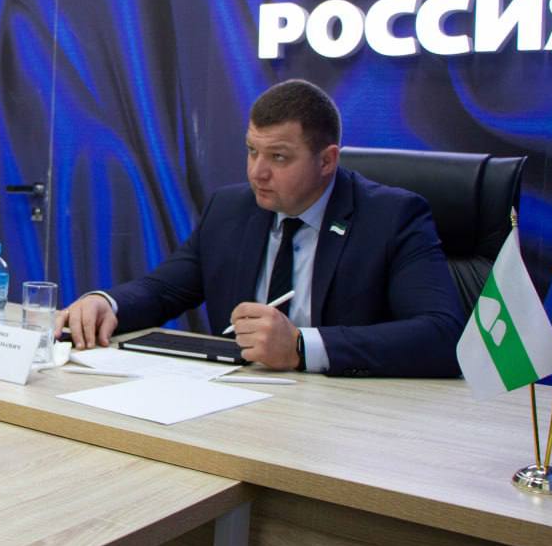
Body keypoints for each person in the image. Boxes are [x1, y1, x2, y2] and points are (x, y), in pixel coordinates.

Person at [59, 79, 466, 378]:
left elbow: (442, 334)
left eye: (279, 157)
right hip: (239, 403)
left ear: (327, 160)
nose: (258, 172)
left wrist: (301, 347)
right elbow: (163, 289)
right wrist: (107, 304)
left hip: (347, 419)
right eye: (252, 151)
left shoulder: (391, 217)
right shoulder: (230, 209)